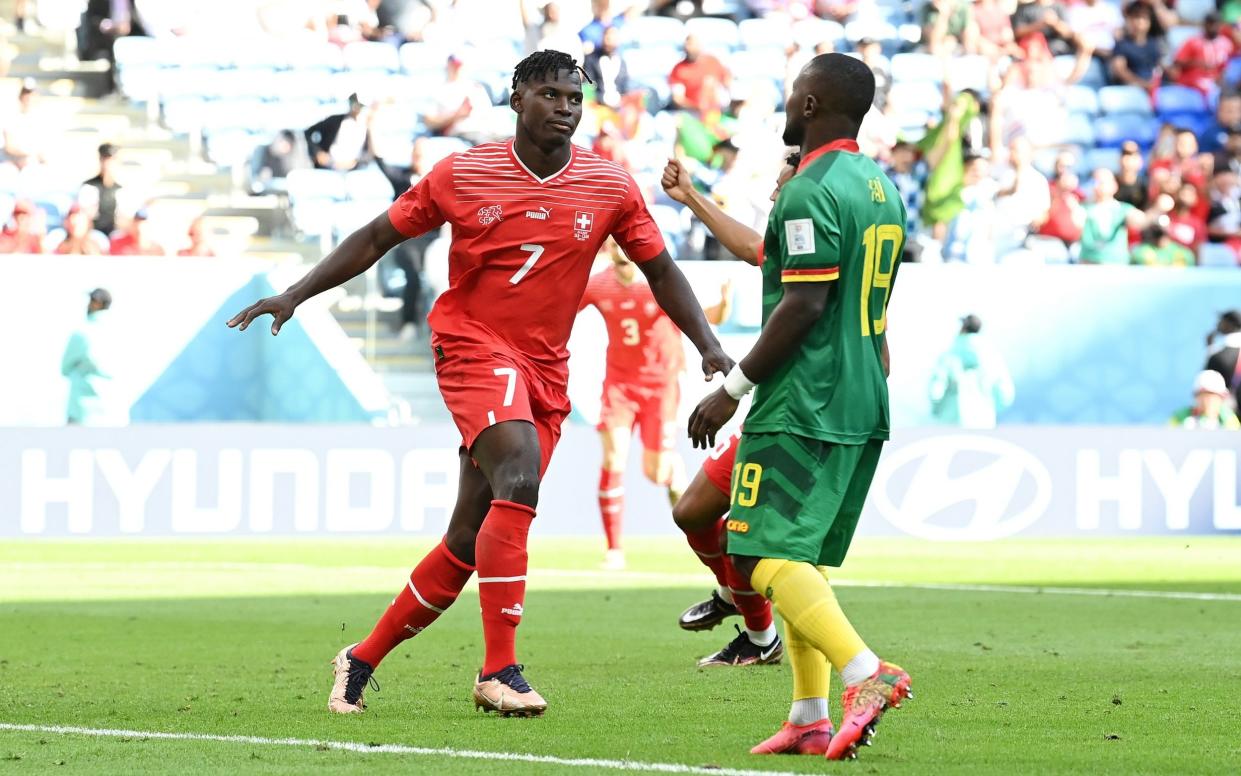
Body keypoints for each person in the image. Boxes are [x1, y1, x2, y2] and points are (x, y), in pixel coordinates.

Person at [227, 49, 730, 718]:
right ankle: (500, 670)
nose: (565, 108)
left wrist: (709, 348)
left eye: (574, 99)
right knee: (518, 473)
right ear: (517, 98)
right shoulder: (463, 173)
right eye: (550, 95)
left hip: (544, 368)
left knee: (469, 538)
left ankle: (361, 658)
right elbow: (377, 236)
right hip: (471, 346)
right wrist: (294, 294)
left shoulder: (609, 186)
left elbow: (662, 271)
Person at [685, 53, 911, 761]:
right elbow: (862, 308)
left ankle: (866, 673)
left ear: (810, 104)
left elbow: (804, 303)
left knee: (756, 550)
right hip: (859, 389)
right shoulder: (881, 187)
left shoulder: (809, 189)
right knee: (797, 557)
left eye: (791, 93)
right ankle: (809, 715)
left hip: (803, 397)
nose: (786, 103)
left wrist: (729, 391)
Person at [660, 151, 803, 669]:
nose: (771, 195)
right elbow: (750, 247)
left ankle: (846, 669)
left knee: (750, 545)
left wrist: (732, 389)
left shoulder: (817, 246)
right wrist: (691, 196)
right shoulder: (788, 245)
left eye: (780, 185)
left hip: (800, 415)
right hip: (771, 409)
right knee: (693, 513)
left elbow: (806, 316)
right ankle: (739, 608)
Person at [577, 239, 731, 570]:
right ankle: (614, 549)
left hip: (660, 386)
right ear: (608, 250)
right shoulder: (599, 284)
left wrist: (724, 304)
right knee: (614, 458)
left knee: (657, 471)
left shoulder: (656, 286)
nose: (620, 252)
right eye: (613, 246)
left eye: (624, 246)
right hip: (619, 385)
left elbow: (703, 317)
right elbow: (561, 308)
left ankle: (678, 482)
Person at [928, 314, 1015, 428]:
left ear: (963, 329)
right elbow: (1005, 396)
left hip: (951, 425)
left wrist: (937, 411)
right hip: (984, 424)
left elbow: (935, 392)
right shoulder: (993, 359)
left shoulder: (947, 358)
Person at [61, 288, 126, 426]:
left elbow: (64, 368)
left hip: (82, 413)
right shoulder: (120, 333)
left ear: (97, 303)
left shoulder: (82, 333)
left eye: (90, 301)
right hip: (114, 413)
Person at [423, 54, 494, 144]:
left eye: (459, 66)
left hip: (485, 132)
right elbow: (429, 122)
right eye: (454, 65)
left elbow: (489, 115)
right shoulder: (438, 91)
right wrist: (456, 116)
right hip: (462, 135)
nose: (457, 69)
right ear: (448, 66)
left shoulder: (476, 87)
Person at [1079, 169, 1146, 264]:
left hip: (1116, 263)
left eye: (1102, 182)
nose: (1097, 186)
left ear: (1114, 186)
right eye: (1094, 182)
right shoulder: (1083, 207)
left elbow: (1139, 220)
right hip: (1088, 262)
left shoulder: (1123, 208)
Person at [1169, 13, 1235, 98]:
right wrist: (1197, 63)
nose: (1213, 27)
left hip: (1215, 82)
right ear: (1205, 25)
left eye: (1216, 24)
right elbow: (1177, 62)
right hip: (1193, 80)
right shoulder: (1193, 41)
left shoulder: (1226, 44)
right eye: (1210, 23)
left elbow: (1225, 67)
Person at [669, 35, 730, 115]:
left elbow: (727, 79)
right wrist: (697, 107)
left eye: (694, 45)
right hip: (693, 113)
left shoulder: (712, 61)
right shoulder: (679, 69)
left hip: (716, 111)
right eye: (688, 44)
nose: (690, 48)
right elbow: (678, 99)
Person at [305, 93, 369, 171]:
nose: (355, 108)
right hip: (328, 167)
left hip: (353, 171)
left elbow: (368, 154)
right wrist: (318, 153)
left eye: (359, 106)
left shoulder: (368, 126)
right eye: (353, 103)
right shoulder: (335, 120)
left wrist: (354, 163)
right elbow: (309, 132)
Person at [1110, 1, 1163, 90]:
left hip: (1152, 87)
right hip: (1130, 89)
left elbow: (1158, 67)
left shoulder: (1153, 43)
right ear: (1129, 20)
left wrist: (1154, 82)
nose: (1140, 22)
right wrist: (1143, 84)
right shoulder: (1121, 44)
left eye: (1144, 18)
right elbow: (1120, 71)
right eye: (1136, 17)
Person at [1170, 370, 1240, 430]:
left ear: (1221, 398)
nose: (1209, 401)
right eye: (1205, 396)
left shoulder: (1229, 419)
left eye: (1214, 396)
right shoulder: (1181, 417)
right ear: (1196, 397)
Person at [582, 25, 629, 109]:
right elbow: (587, 86)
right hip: (598, 106)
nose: (608, 41)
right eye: (607, 37)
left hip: (619, 107)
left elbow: (625, 87)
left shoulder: (622, 62)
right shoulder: (591, 59)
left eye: (612, 38)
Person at [81, 143, 120, 236]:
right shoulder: (89, 186)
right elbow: (86, 216)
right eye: (105, 159)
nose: (107, 163)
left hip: (114, 233)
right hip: (93, 234)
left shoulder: (120, 189)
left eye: (110, 159)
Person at [1206, 310, 1241, 407]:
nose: (1217, 324)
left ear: (1229, 325)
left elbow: (1206, 383)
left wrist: (1210, 349)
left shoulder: (1217, 355)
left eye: (1221, 321)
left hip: (1228, 415)